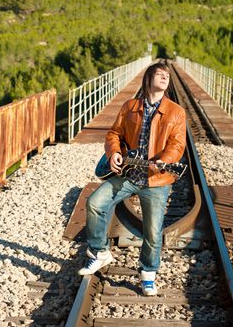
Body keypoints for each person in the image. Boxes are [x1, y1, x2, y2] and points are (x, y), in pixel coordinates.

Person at [78, 62, 186, 296]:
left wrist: (165, 160)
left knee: (153, 230)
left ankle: (148, 274)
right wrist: (114, 153)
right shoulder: (130, 106)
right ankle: (100, 252)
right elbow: (114, 134)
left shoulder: (176, 111)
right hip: (127, 174)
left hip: (156, 179)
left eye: (166, 75)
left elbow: (178, 144)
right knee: (94, 203)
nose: (164, 77)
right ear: (148, 79)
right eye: (159, 74)